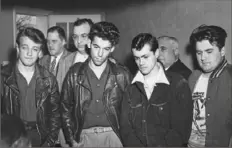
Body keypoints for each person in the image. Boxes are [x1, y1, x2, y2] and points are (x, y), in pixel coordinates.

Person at [61, 21, 131, 147]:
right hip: (83, 136)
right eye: (96, 47)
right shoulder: (74, 73)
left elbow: (131, 111)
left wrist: (124, 139)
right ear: (89, 43)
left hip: (114, 136)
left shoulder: (122, 74)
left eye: (106, 49)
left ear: (113, 48)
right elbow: (65, 107)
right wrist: (71, 139)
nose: (100, 54)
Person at [120, 33, 193, 147]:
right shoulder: (130, 88)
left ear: (157, 53)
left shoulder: (178, 84)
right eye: (137, 58)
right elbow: (126, 129)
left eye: (145, 57)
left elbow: (181, 130)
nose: (141, 63)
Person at [1, 27, 60, 147]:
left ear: (40, 53)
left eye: (34, 49)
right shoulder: (3, 77)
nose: (29, 53)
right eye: (25, 48)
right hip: (13, 137)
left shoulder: (49, 79)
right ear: (18, 49)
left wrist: (50, 141)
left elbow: (55, 114)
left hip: (41, 136)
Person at [188, 25, 232, 147]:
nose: (203, 58)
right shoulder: (193, 77)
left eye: (209, 51)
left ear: (222, 51)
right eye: (199, 52)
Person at [39, 26, 70, 91]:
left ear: (63, 42)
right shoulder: (42, 61)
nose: (50, 45)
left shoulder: (71, 59)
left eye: (54, 41)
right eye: (48, 41)